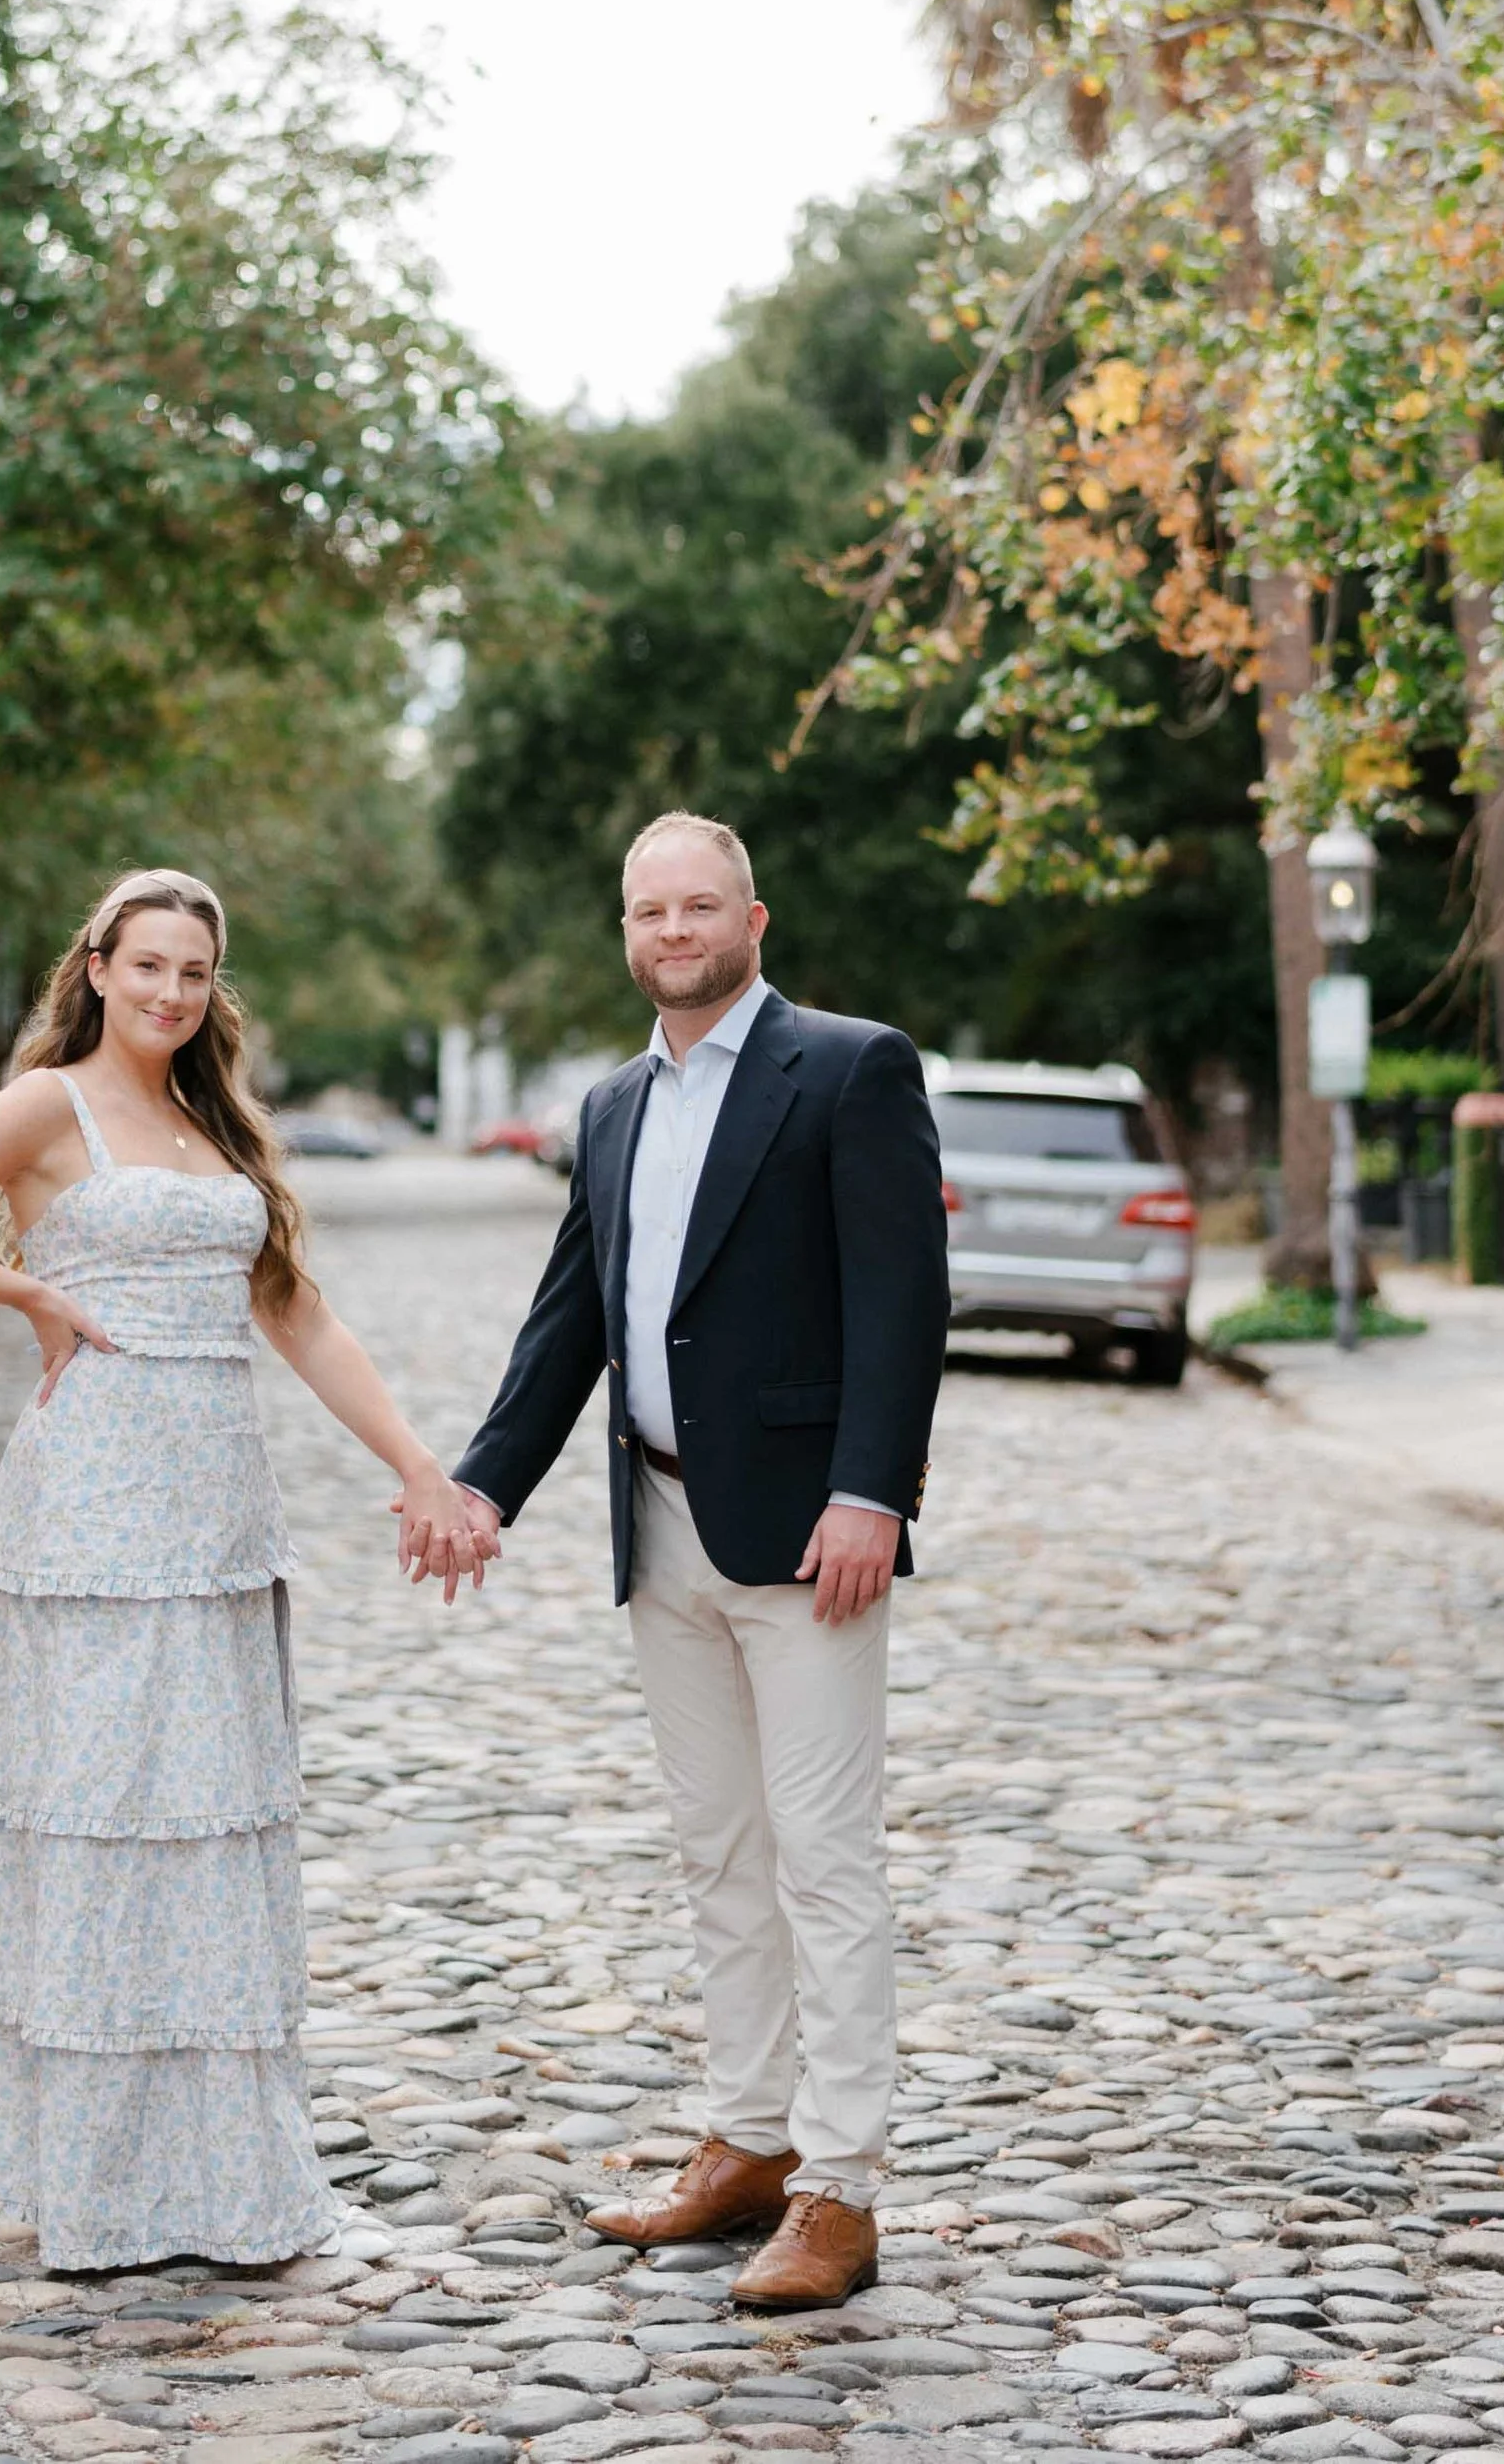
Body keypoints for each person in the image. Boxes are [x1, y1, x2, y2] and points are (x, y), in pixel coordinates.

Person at [0, 867, 484, 2272]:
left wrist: (419, 1467)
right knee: (105, 1828)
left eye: (194, 971)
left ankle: (211, 2174)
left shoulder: (213, 1124)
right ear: (100, 966)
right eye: (149, 965)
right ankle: (97, 2177)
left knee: (205, 1833)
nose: (171, 992)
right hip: (94, 1519)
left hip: (216, 1517)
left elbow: (300, 1316)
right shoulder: (48, 1106)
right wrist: (27, 1294)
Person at [446, 811, 948, 2310]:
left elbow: (905, 1299)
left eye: (701, 906)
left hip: (809, 1539)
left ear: (755, 919)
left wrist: (875, 1490)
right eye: (650, 910)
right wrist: (482, 1487)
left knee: (825, 1861)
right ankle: (747, 2142)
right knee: (719, 1852)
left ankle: (843, 2190)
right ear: (627, 929)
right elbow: (569, 1327)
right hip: (658, 1527)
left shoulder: (850, 1069)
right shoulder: (609, 1107)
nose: (675, 930)